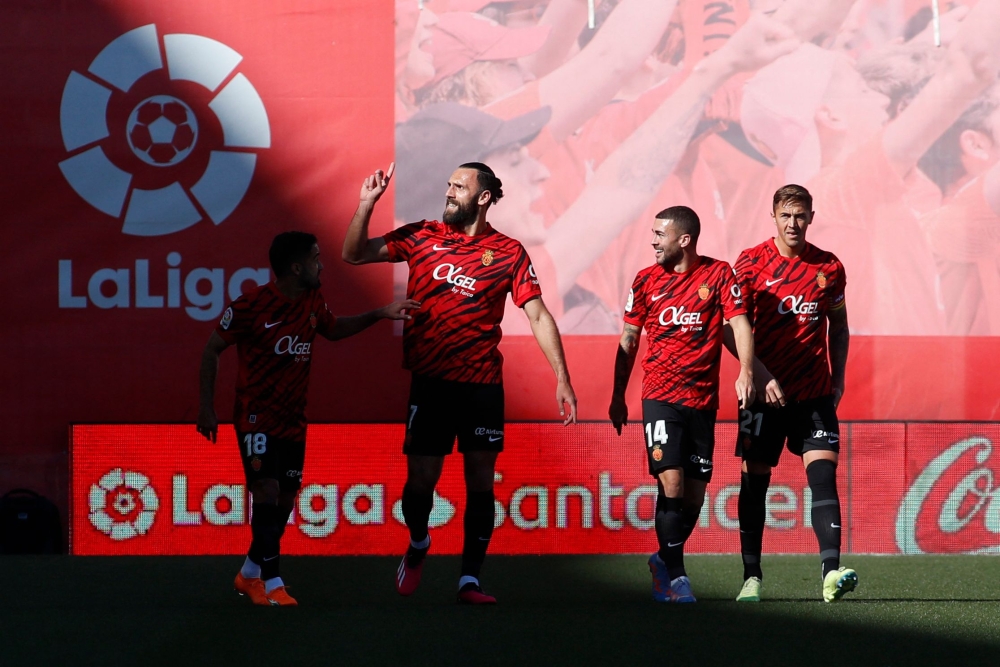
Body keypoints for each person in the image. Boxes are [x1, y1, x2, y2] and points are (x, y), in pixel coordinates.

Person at [342, 160, 577, 604]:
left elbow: (539, 314)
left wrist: (562, 377)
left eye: (459, 186)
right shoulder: (421, 235)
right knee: (420, 485)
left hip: (482, 385)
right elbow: (353, 254)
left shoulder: (508, 252)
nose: (449, 191)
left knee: (481, 481)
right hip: (431, 383)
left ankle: (470, 579)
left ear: (483, 197)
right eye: (448, 184)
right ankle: (417, 544)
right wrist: (366, 204)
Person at [196, 232, 417, 606]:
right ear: (296, 267)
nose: (322, 264)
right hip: (255, 417)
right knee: (264, 492)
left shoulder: (312, 300)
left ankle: (249, 572)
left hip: (293, 420)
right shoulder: (251, 305)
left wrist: (379, 313)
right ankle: (273, 582)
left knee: (283, 502)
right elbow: (211, 350)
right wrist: (206, 407)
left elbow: (332, 330)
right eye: (316, 258)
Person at [608, 205, 755, 603]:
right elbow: (628, 340)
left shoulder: (719, 273)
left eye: (660, 234)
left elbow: (740, 323)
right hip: (659, 397)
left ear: (684, 240)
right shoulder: (644, 280)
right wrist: (618, 394)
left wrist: (746, 371)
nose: (653, 241)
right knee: (670, 480)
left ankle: (662, 558)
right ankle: (676, 578)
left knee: (693, 496)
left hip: (702, 402)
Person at [729, 184, 853, 603]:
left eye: (800, 215)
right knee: (754, 483)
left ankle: (831, 573)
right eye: (786, 215)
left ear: (812, 217)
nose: (793, 223)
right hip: (761, 398)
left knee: (823, 477)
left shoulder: (829, 267)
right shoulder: (749, 263)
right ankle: (751, 577)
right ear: (774, 216)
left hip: (814, 394)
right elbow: (731, 328)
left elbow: (840, 326)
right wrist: (757, 373)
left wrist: (838, 379)